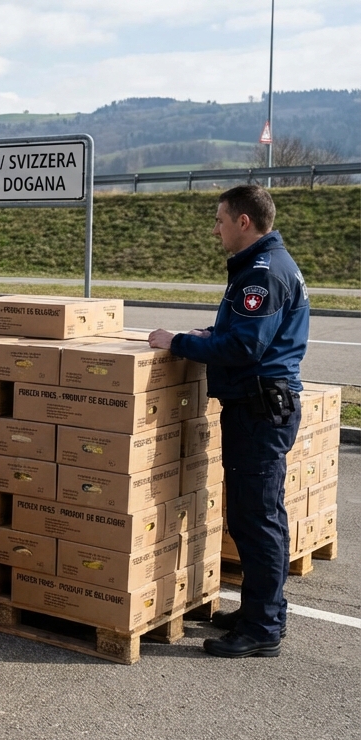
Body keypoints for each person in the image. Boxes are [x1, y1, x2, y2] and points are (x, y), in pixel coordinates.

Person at [149, 184, 309, 659]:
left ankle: (263, 627)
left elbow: (245, 348)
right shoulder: (269, 265)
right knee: (254, 514)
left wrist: (177, 341)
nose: (215, 227)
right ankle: (260, 610)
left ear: (244, 221)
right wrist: (211, 331)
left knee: (257, 518)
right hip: (260, 406)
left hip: (260, 410)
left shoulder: (261, 273)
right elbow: (242, 332)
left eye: (220, 219)